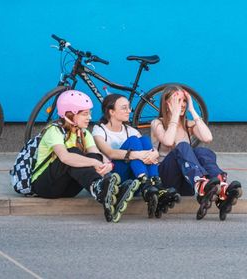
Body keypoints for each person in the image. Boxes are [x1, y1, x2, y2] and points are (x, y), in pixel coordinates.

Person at [150, 86, 242, 221]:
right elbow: (168, 141)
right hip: (166, 179)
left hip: (186, 182)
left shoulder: (188, 124)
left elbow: (208, 138)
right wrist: (174, 115)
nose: (182, 104)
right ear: (167, 104)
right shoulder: (157, 123)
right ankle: (200, 183)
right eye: (178, 100)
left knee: (203, 152)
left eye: (184, 101)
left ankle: (221, 185)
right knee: (183, 146)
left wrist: (192, 110)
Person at [31, 90, 120, 222]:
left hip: (68, 189)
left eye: (89, 113)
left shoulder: (84, 133)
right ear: (70, 114)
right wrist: (95, 163)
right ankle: (98, 187)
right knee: (73, 152)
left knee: (94, 155)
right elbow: (65, 157)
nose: (89, 117)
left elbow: (97, 154)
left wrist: (108, 165)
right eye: (85, 114)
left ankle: (102, 188)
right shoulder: (54, 130)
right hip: (45, 186)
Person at [93, 94, 179, 220]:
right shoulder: (99, 130)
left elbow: (148, 150)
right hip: (116, 177)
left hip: (134, 179)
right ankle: (147, 183)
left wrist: (155, 152)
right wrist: (136, 154)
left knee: (144, 140)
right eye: (124, 108)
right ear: (111, 112)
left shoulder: (130, 130)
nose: (129, 111)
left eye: (129, 107)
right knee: (133, 141)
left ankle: (154, 184)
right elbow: (110, 152)